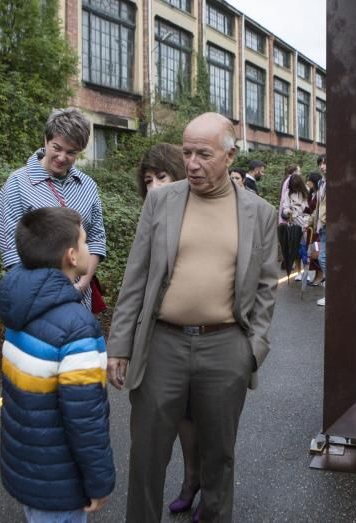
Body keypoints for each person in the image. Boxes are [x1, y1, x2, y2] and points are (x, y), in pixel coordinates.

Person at [107, 112, 279, 522]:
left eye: (203, 153)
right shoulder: (161, 201)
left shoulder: (260, 213)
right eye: (187, 153)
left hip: (225, 348)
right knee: (147, 455)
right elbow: (137, 275)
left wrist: (252, 349)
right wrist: (120, 344)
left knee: (219, 458)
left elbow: (266, 287)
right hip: (162, 343)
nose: (192, 163)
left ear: (230, 155)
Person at [0, 207, 114, 522]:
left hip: (27, 466)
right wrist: (100, 481)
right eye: (86, 242)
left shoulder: (20, 307)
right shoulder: (77, 326)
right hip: (60, 481)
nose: (91, 249)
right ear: (72, 256)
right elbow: (85, 418)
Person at [136, 144, 201, 516]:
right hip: (163, 338)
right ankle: (191, 480)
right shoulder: (151, 218)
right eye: (149, 180)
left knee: (206, 418)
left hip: (209, 340)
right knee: (176, 417)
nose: (156, 187)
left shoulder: (206, 214)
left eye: (163, 177)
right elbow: (136, 284)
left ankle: (205, 483)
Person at [0, 108, 107, 313]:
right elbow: (11, 250)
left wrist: (83, 283)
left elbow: (97, 238)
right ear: (46, 140)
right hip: (35, 301)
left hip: (80, 300)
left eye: (71, 152)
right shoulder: (17, 184)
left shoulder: (88, 186)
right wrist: (47, 293)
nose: (62, 157)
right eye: (57, 147)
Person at [282, 173, 311, 280]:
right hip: (293, 222)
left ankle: (306, 272)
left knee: (305, 248)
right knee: (295, 248)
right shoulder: (288, 193)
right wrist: (288, 211)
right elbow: (285, 207)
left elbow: (310, 207)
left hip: (305, 222)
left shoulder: (306, 191)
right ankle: (299, 272)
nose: (294, 187)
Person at [277, 164, 302, 277]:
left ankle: (287, 263)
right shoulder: (291, 181)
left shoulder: (285, 180)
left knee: (287, 240)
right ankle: (288, 263)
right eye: (299, 170)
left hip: (284, 214)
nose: (300, 173)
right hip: (289, 216)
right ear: (295, 171)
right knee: (292, 241)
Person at [314, 156, 328, 307]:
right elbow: (319, 205)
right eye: (320, 164)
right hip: (322, 225)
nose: (322, 166)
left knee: (324, 258)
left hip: (331, 225)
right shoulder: (321, 182)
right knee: (324, 258)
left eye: (325, 163)